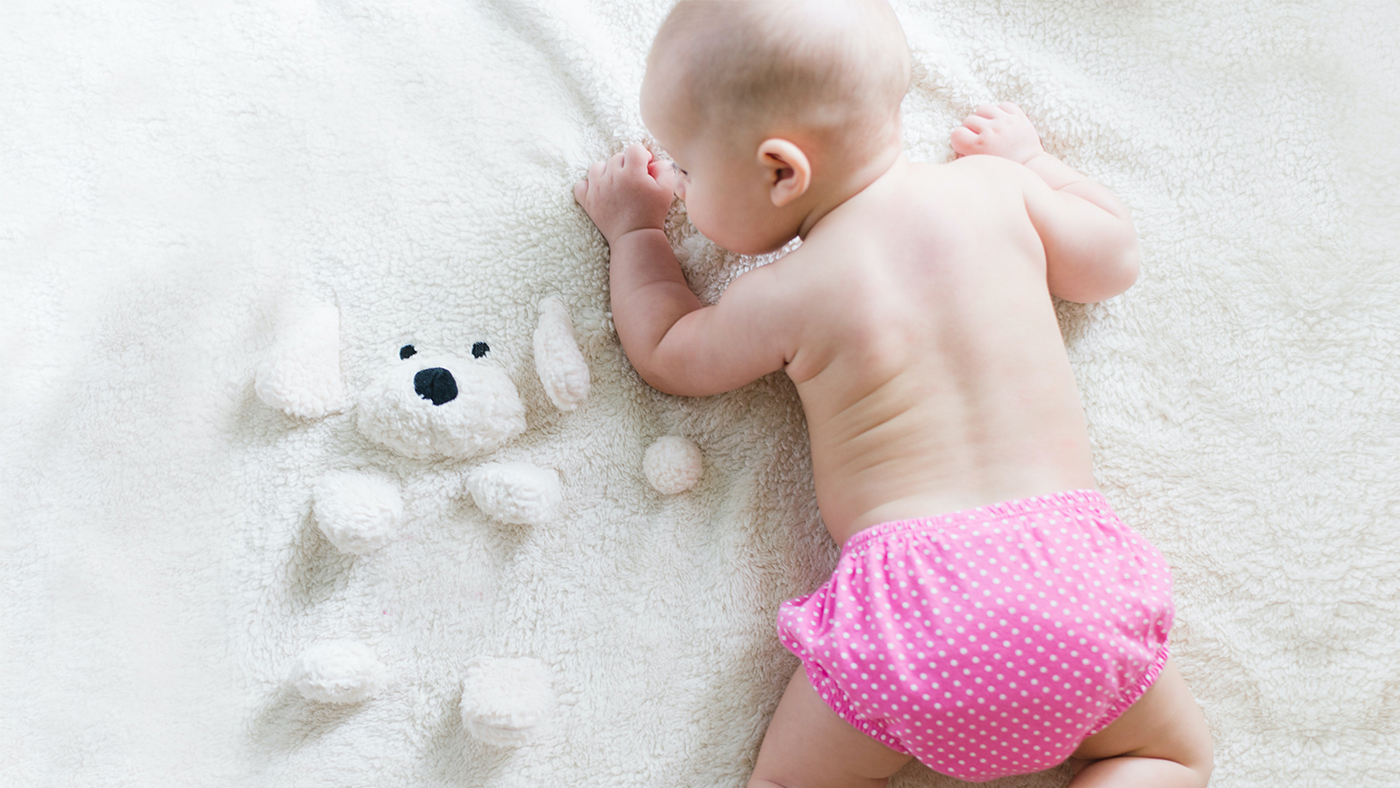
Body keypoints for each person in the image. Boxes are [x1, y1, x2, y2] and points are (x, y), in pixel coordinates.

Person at [571, 1, 1214, 785]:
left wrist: (635, 234)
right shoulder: (995, 191)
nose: (680, 187)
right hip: (1074, 587)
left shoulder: (787, 294)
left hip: (917, 617)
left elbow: (669, 353)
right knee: (1167, 756)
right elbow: (1112, 258)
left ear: (782, 171)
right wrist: (1036, 164)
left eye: (693, 172)